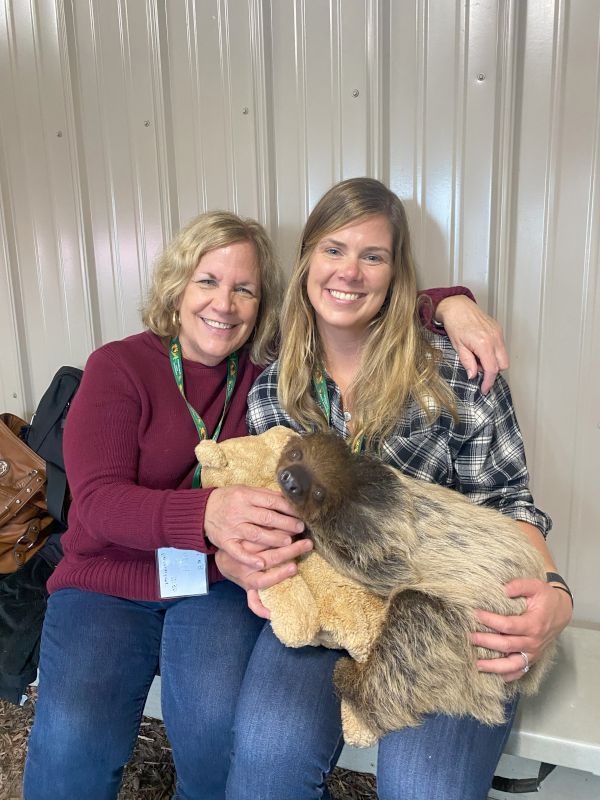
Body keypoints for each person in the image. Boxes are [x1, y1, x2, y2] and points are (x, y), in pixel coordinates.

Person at [22, 208, 503, 800]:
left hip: (213, 580)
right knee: (73, 745)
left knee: (216, 739)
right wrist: (205, 514)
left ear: (262, 303)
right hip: (109, 579)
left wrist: (449, 304)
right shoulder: (120, 367)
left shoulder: (264, 369)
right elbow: (94, 506)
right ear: (176, 287)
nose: (223, 304)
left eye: (243, 289)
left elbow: (351, 298)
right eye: (207, 282)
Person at [216, 178, 574, 800]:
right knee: (268, 757)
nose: (349, 273)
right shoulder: (277, 387)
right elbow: (265, 509)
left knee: (424, 785)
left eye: (372, 256)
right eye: (333, 250)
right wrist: (250, 563)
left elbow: (510, 504)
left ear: (396, 272)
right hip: (330, 603)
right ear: (306, 261)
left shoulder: (455, 373)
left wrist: (556, 595)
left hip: (439, 610)